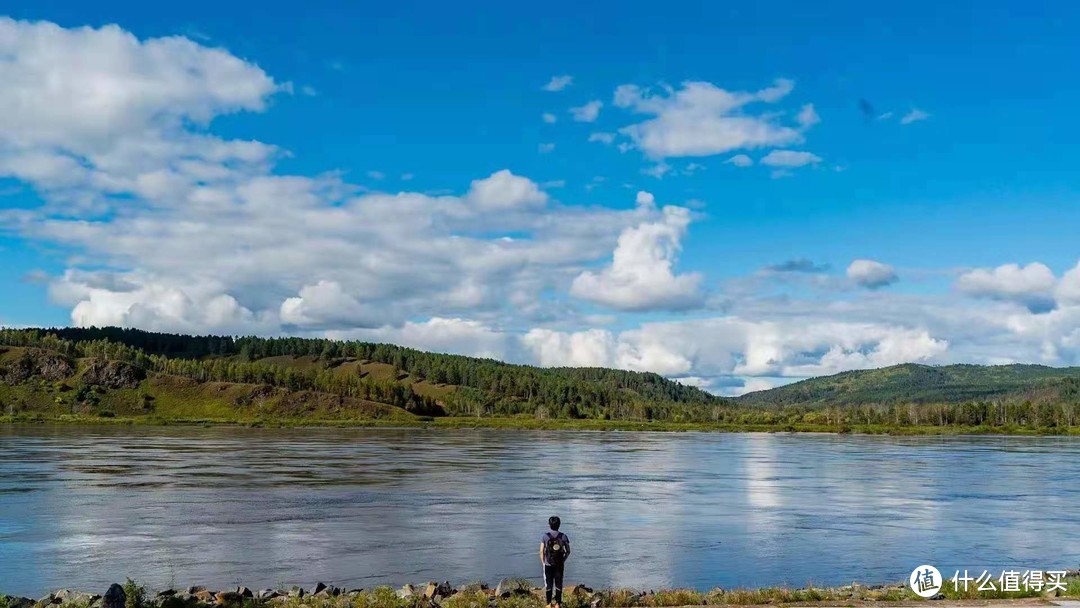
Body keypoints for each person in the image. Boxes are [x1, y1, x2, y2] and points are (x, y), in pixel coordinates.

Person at [540, 515, 570, 608]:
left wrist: (544, 563)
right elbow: (568, 551)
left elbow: (541, 551)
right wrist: (563, 560)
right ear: (559, 525)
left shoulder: (545, 536)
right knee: (558, 584)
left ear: (549, 525)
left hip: (548, 564)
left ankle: (548, 604)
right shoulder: (563, 536)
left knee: (549, 584)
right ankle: (558, 604)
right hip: (559, 564)